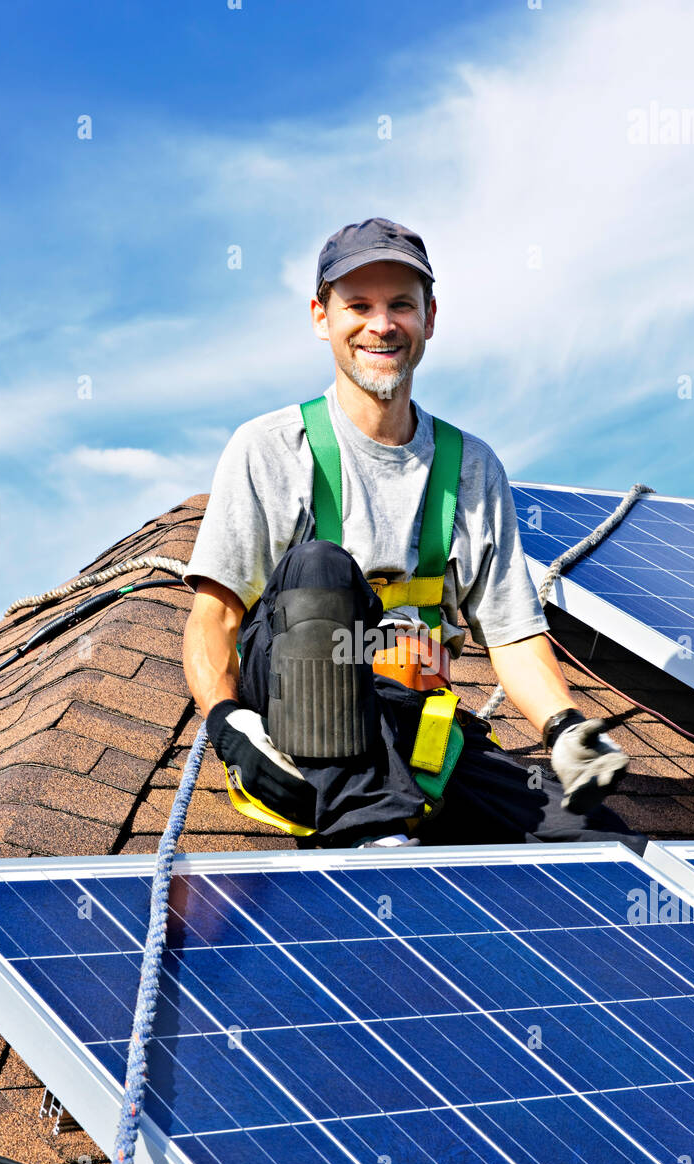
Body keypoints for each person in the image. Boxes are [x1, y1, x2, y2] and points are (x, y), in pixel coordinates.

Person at [182, 217, 643, 853]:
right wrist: (228, 722)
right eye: (358, 306)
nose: (381, 324)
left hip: (417, 720)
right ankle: (368, 830)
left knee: (604, 854)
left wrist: (563, 726)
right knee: (318, 567)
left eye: (401, 304)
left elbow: (514, 634)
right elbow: (214, 618)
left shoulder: (471, 467)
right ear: (322, 318)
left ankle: (400, 805)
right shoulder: (271, 448)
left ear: (429, 317)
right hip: (306, 713)